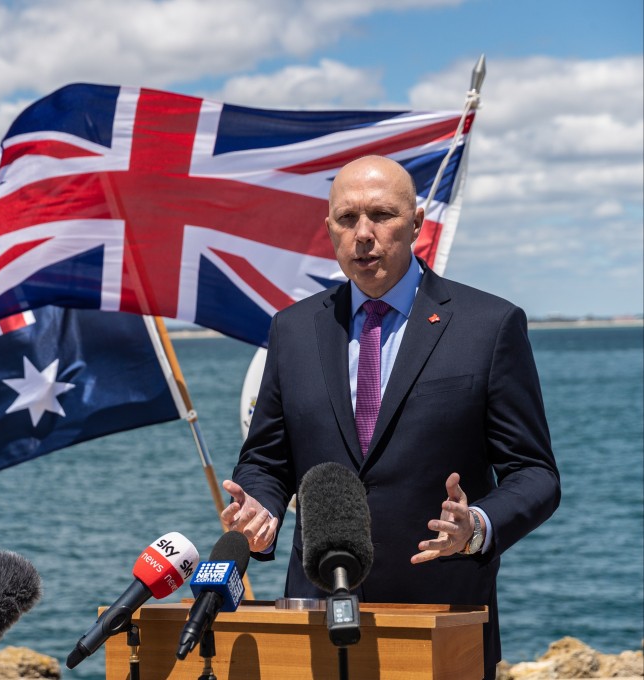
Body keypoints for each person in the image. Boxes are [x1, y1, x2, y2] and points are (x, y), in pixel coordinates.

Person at [221, 155, 560, 679]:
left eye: (381, 215)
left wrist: (477, 526)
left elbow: (535, 474)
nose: (363, 234)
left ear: (418, 223)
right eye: (347, 218)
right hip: (312, 619)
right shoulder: (292, 330)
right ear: (328, 228)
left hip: (440, 620)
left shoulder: (489, 326)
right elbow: (266, 460)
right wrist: (259, 511)